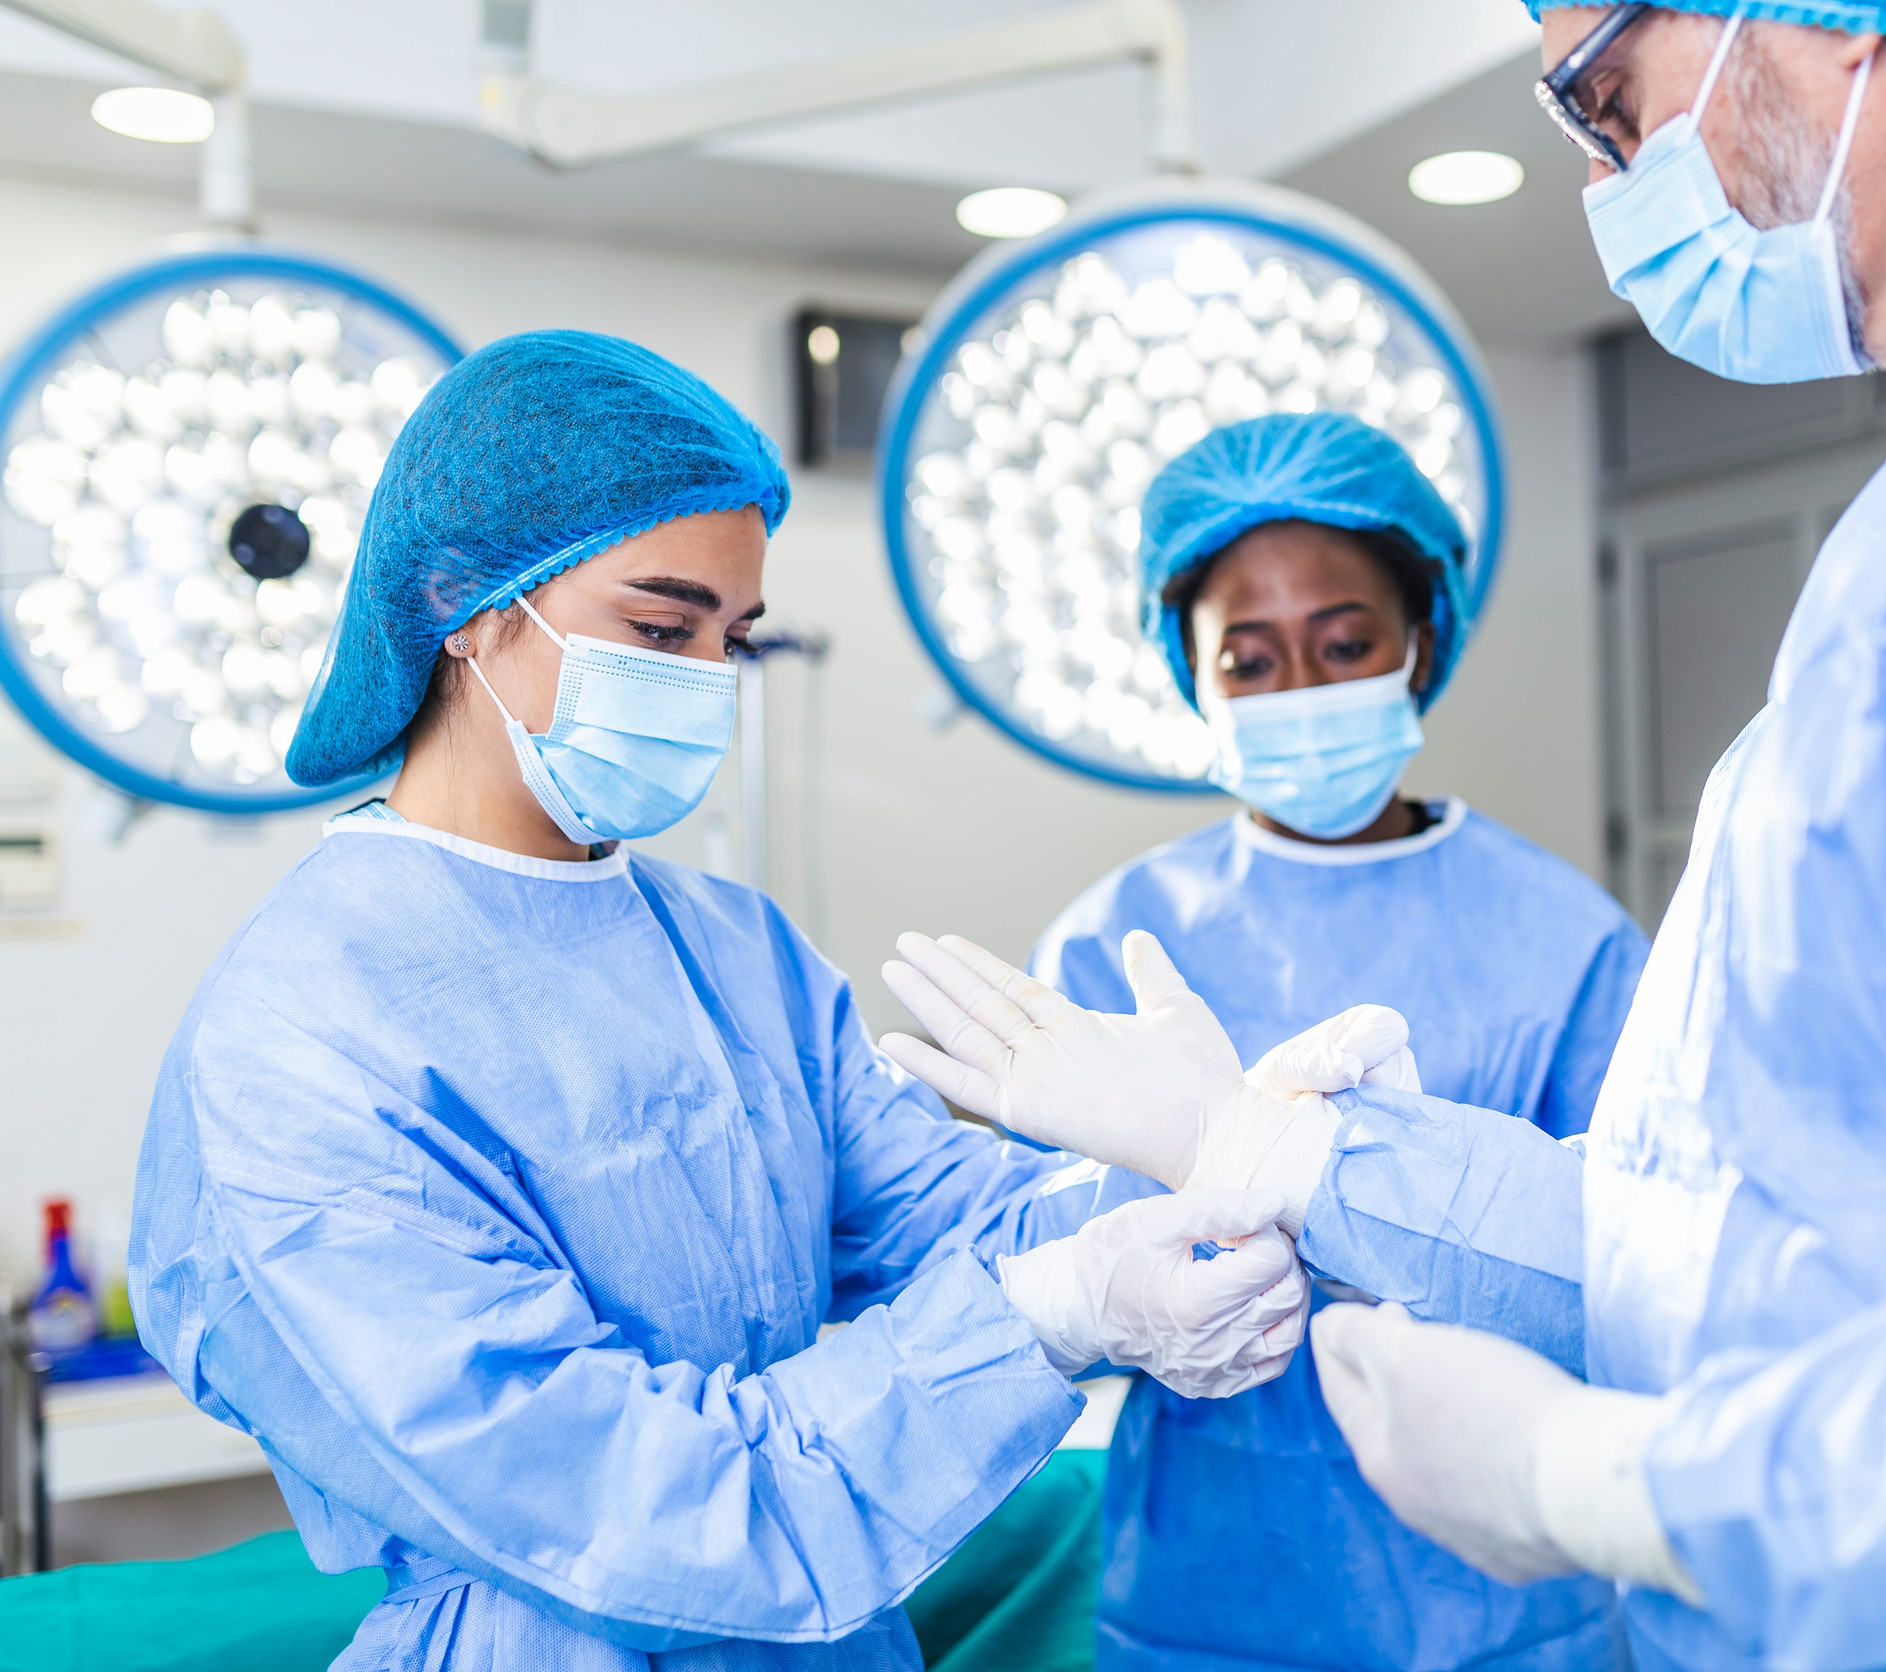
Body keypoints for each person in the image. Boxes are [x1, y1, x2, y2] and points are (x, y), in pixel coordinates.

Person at [875, 8, 1886, 1671]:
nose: (1611, 185)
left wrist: (1616, 1484)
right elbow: (1801, 1240)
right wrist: (1279, 1153)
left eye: (1604, 102)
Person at [127, 330, 1312, 1672]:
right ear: (462, 601)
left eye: (729, 640)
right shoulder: (299, 1032)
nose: (700, 679)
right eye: (657, 628)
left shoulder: (736, 952)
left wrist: (1206, 1159)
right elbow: (637, 1507)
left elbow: (955, 1228)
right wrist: (1053, 1312)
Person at [1026, 413, 1652, 1670]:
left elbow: (1641, 1268)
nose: (1301, 689)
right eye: (1249, 658)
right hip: (1213, 1595)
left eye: (1346, 641)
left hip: (1509, 1599)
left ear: (1421, 639)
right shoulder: (1116, 941)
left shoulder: (1564, 935)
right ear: (1194, 678)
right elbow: (1053, 1271)